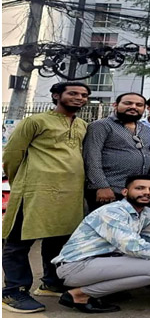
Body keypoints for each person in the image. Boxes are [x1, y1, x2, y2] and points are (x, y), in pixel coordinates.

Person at [2, 82, 91, 313]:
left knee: (58, 240)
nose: (79, 98)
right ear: (56, 95)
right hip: (35, 190)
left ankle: (51, 283)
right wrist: (23, 183)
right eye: (73, 93)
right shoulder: (36, 121)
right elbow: (12, 154)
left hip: (70, 193)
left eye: (84, 95)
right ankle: (13, 292)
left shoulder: (82, 125)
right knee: (18, 242)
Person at [53, 175, 150, 314]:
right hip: (76, 266)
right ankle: (80, 295)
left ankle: (104, 291)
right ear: (125, 192)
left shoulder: (148, 213)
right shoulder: (112, 211)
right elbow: (132, 246)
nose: (146, 192)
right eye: (140, 188)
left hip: (106, 263)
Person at [84, 93, 150, 212]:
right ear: (115, 105)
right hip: (109, 190)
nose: (133, 107)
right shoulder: (101, 125)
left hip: (135, 191)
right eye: (128, 103)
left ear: (144, 108)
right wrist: (101, 186)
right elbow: (91, 156)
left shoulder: (146, 130)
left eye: (139, 105)